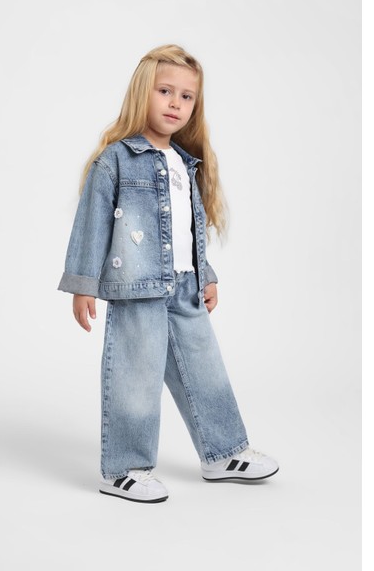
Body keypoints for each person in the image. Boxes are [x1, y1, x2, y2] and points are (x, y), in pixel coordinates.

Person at [57, 44, 279, 504]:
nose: (176, 103)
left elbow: (187, 229)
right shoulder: (115, 160)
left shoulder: (185, 162)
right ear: (142, 93)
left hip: (184, 287)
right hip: (136, 286)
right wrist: (83, 285)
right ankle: (124, 469)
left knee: (206, 368)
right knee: (134, 378)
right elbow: (91, 224)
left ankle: (223, 453)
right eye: (165, 91)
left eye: (187, 96)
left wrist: (206, 273)